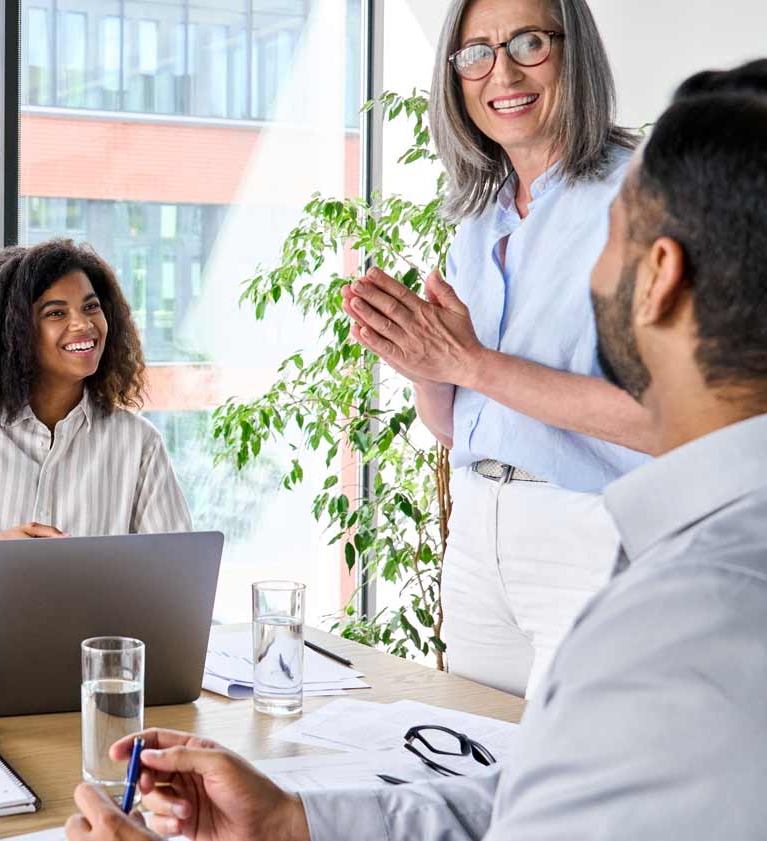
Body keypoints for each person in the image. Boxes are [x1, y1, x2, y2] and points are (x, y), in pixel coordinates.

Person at [64, 58, 767, 841]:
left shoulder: (687, 616)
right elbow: (542, 786)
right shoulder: (697, 570)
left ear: (658, 278)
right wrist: (297, 823)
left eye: (608, 235)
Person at [341, 0, 654, 697]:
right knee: (474, 769)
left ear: (575, 52)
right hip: (479, 533)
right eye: (475, 52)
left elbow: (667, 420)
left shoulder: (645, 194)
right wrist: (426, 367)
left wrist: (468, 362)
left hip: (592, 532)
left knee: (574, 790)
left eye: (528, 42)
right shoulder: (478, 215)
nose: (501, 70)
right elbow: (462, 425)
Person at [0, 239, 192, 622]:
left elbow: (180, 575)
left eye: (91, 306)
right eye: (56, 313)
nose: (84, 324)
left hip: (97, 653)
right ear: (14, 332)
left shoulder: (138, 442)